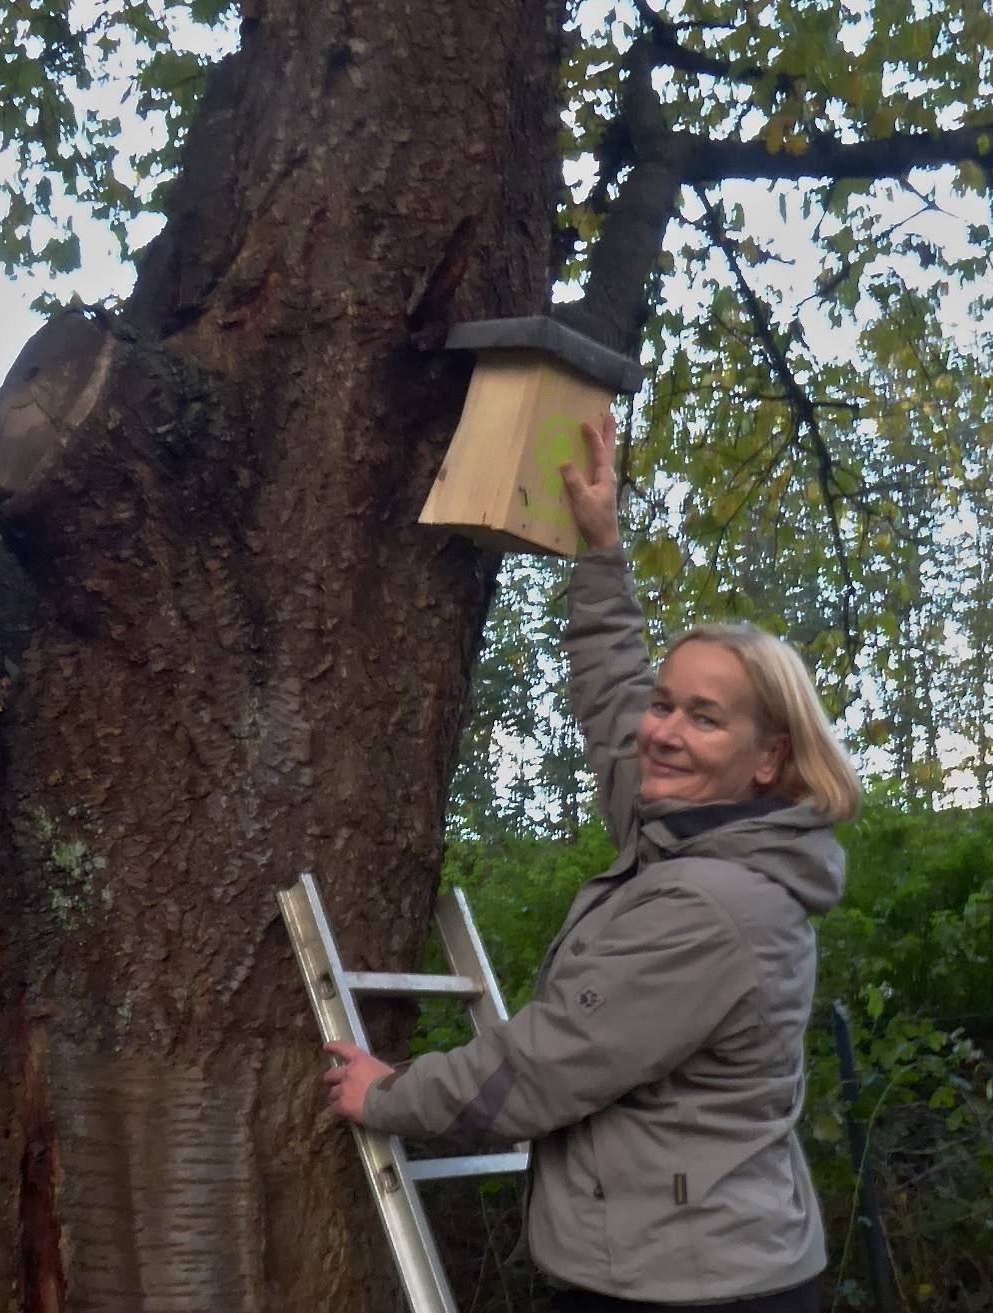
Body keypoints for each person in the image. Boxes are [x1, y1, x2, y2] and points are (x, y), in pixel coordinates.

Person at [323, 415, 862, 1311]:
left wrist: (387, 1097)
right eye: (667, 703)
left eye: (704, 716)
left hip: (690, 1289)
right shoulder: (686, 826)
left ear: (768, 757)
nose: (664, 730)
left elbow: (541, 1069)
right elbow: (618, 704)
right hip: (673, 1262)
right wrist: (600, 549)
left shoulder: (713, 907)